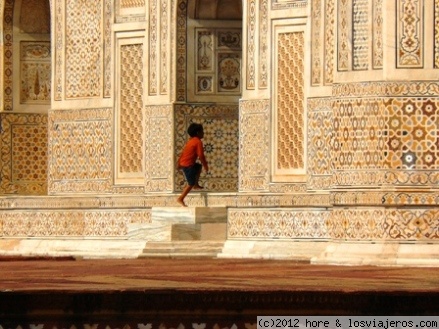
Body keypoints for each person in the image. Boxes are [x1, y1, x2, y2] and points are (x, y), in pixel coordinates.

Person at [176, 123, 209, 207]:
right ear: (198, 133)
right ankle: (181, 198)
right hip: (188, 165)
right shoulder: (198, 142)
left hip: (186, 163)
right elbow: (201, 155)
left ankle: (196, 184)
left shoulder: (190, 141)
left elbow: (183, 153)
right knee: (190, 183)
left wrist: (179, 162)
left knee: (198, 166)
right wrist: (205, 165)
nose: (203, 133)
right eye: (202, 131)